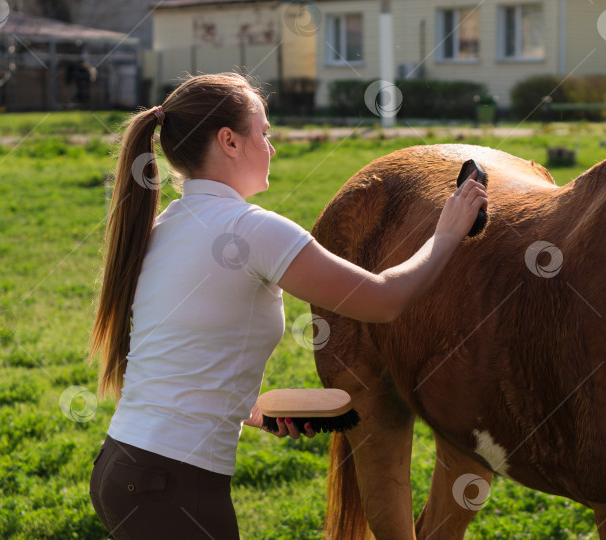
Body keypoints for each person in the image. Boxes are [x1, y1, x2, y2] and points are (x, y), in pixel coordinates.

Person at [88, 73, 487, 539]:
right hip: (173, 487)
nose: (271, 147)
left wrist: (248, 408)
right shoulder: (252, 230)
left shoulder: (168, 223)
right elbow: (382, 299)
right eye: (264, 132)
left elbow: (178, 348)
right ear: (229, 141)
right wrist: (448, 232)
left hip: (124, 467)